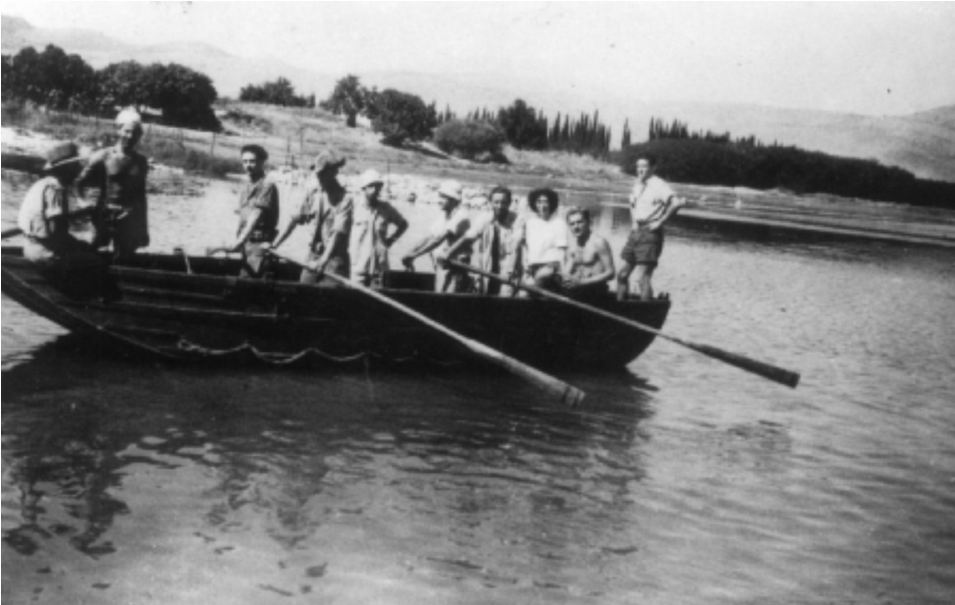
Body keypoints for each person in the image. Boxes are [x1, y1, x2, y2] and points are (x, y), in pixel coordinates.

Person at [17, 142, 117, 299]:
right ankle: (94, 302)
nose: (79, 169)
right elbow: (56, 232)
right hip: (43, 253)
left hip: (29, 245)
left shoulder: (42, 184)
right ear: (66, 168)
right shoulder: (55, 189)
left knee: (85, 251)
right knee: (98, 262)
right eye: (76, 165)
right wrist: (79, 246)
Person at [76, 107, 149, 259]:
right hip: (104, 217)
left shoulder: (141, 162)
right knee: (93, 254)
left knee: (125, 258)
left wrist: (143, 228)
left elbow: (141, 196)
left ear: (139, 135)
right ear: (118, 131)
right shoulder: (103, 156)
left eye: (135, 133)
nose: (130, 136)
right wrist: (83, 202)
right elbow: (79, 182)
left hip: (128, 219)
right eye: (127, 131)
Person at [272, 149, 353, 284]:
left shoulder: (345, 199)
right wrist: (275, 244)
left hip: (334, 260)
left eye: (323, 174)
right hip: (313, 256)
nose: (319, 178)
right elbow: (294, 220)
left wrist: (323, 261)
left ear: (334, 172)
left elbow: (337, 234)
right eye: (317, 174)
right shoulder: (313, 193)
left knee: (329, 299)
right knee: (303, 293)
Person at [616, 154, 686, 300]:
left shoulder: (659, 185)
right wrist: (633, 221)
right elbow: (632, 204)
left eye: (644, 166)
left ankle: (644, 313)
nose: (640, 170)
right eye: (638, 166)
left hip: (650, 233)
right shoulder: (638, 184)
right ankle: (620, 306)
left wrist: (661, 221)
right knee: (622, 274)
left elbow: (676, 203)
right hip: (636, 232)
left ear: (653, 168)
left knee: (642, 277)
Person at [442, 185, 523, 296]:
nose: (499, 206)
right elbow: (468, 238)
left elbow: (516, 247)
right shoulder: (485, 217)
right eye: (496, 202)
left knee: (505, 298)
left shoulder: (517, 220)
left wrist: (510, 271)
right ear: (490, 203)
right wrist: (448, 253)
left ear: (509, 203)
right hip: (486, 269)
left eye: (503, 203)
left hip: (508, 272)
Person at [401, 180, 473, 293]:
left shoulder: (461, 216)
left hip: (457, 267)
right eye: (440, 197)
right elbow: (429, 237)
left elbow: (439, 239)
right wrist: (410, 252)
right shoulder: (444, 215)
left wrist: (415, 255)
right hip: (443, 265)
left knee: (449, 299)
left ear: (454, 200)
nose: (440, 201)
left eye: (444, 198)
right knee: (439, 293)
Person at [229, 144, 279, 278]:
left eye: (252, 161)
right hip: (247, 244)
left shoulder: (267, 185)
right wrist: (240, 240)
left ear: (262, 162)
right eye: (245, 161)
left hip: (259, 246)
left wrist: (239, 240)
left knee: (249, 285)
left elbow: (256, 215)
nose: (248, 165)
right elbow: (243, 217)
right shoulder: (247, 186)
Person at [350, 169, 408, 286]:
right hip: (358, 265)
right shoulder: (354, 206)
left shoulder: (386, 208)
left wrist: (390, 240)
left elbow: (403, 224)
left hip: (379, 266)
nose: (375, 190)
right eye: (371, 186)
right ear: (364, 187)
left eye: (378, 186)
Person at [518, 187, 567, 291]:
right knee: (523, 293)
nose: (542, 206)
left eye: (546, 202)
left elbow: (562, 251)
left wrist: (562, 272)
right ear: (534, 204)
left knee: (534, 286)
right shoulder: (530, 223)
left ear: (551, 204)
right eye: (539, 202)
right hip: (532, 266)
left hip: (550, 267)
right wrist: (526, 266)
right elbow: (525, 247)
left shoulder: (559, 223)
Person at [562, 206, 615, 301]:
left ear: (588, 222)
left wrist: (581, 282)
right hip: (579, 291)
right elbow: (566, 272)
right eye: (572, 224)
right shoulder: (572, 246)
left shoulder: (599, 242)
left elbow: (610, 273)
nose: (576, 227)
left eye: (579, 222)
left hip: (597, 292)